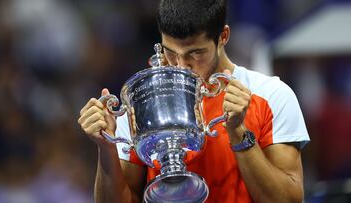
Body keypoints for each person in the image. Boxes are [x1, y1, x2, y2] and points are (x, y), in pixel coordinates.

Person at [78, 0, 310, 202]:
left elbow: (289, 200)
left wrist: (239, 133)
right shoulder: (142, 101)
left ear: (223, 37)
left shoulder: (271, 95)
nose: (180, 65)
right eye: (170, 52)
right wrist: (106, 148)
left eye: (195, 53)